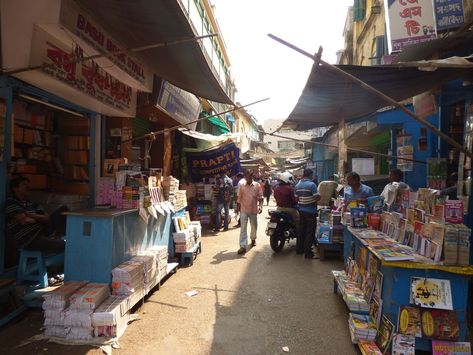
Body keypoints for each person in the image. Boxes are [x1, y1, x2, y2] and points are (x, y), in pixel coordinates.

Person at [5, 176, 66, 267]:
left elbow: (46, 218)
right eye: (24, 185)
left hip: (42, 231)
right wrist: (37, 218)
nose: (27, 187)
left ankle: (56, 237)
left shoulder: (33, 204)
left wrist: (30, 215)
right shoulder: (11, 203)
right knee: (65, 245)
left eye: (28, 185)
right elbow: (24, 221)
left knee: (64, 210)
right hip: (29, 239)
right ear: (15, 188)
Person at [295, 168, 321, 259]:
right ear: (310, 175)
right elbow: (317, 197)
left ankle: (299, 249)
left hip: (301, 210)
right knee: (310, 232)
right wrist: (319, 196)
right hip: (311, 211)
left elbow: (296, 198)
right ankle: (308, 253)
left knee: (301, 231)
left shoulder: (297, 185)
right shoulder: (312, 185)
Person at [237, 169, 263, 255]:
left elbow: (261, 196)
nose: (248, 178)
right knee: (243, 228)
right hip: (244, 210)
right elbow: (239, 198)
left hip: (253, 210)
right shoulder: (241, 185)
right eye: (247, 176)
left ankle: (253, 238)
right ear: (245, 177)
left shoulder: (257, 185)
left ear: (252, 176)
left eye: (250, 176)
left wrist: (261, 206)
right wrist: (237, 209)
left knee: (254, 226)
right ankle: (243, 246)